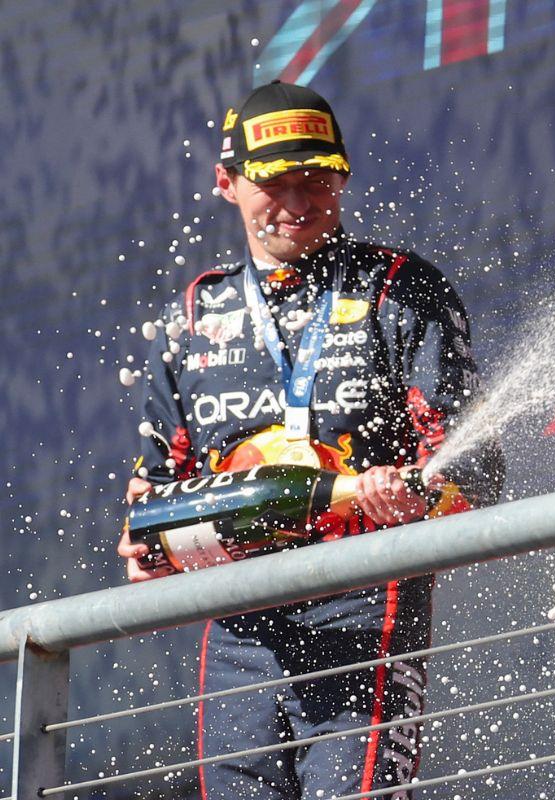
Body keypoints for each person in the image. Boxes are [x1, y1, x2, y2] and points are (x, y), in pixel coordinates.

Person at [116, 80, 504, 799]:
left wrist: (409, 497)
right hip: (238, 626)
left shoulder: (401, 288)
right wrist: (149, 544)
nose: (300, 201)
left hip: (367, 602)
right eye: (277, 183)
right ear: (226, 183)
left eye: (319, 178)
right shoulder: (194, 315)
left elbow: (477, 468)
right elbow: (151, 503)